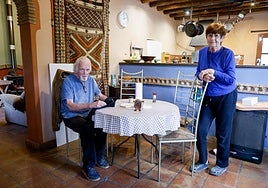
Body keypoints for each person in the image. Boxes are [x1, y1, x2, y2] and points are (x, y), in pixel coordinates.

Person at [190, 23, 237, 176]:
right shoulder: (202, 52)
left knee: (222, 133)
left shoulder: (228, 54)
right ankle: (203, 161)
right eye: (210, 35)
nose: (213, 38)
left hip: (226, 97)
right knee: (200, 130)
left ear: (222, 37)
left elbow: (230, 79)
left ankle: (222, 164)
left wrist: (213, 72)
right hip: (208, 97)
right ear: (207, 37)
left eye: (217, 35)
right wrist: (202, 75)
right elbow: (198, 72)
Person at [61, 56, 114, 181]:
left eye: (87, 69)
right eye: (82, 70)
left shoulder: (91, 80)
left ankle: (99, 157)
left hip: (86, 114)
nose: (85, 73)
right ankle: (88, 166)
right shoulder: (68, 82)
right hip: (71, 115)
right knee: (88, 129)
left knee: (101, 124)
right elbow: (70, 105)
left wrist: (108, 100)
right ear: (76, 70)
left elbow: (99, 95)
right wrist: (91, 105)